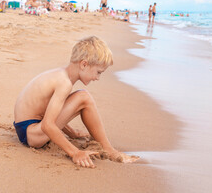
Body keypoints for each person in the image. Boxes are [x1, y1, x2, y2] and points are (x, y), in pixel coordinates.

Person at [13, 36, 139, 168]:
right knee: (84, 97)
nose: (98, 78)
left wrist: (72, 133)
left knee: (82, 97)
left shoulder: (60, 75)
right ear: (84, 64)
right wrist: (75, 153)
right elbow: (47, 125)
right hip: (31, 134)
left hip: (26, 129)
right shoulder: (64, 83)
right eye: (98, 72)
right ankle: (109, 149)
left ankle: (105, 146)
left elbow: (46, 112)